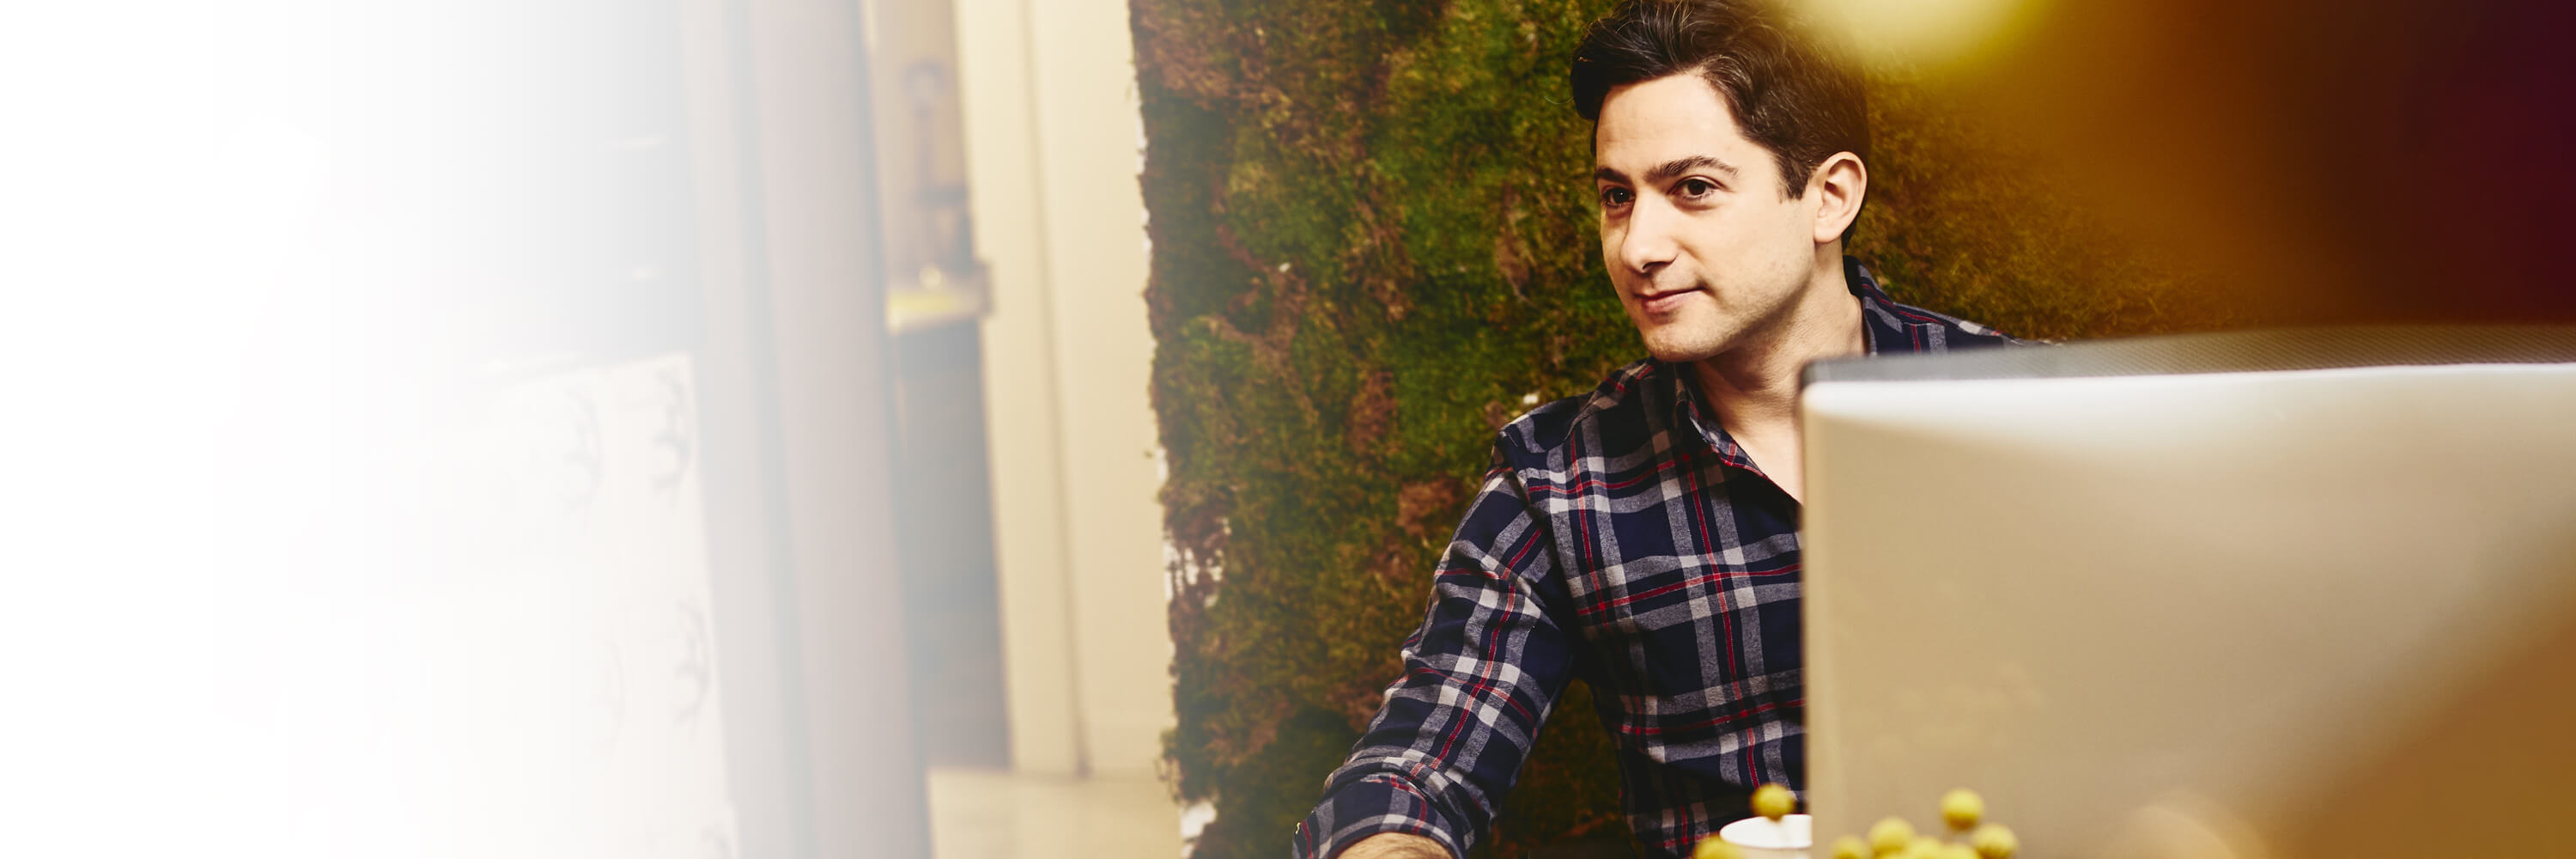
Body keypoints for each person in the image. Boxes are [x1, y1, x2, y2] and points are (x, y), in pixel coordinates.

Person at [1291, 2, 2026, 857]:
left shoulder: (2027, 413)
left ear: (1829, 197)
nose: (1639, 245)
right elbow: (1414, 770)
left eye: (1693, 189)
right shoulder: (1559, 482)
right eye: (1616, 196)